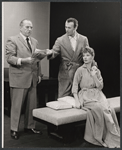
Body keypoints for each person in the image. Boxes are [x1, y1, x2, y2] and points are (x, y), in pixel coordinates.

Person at [5, 19, 50, 140]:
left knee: (32, 104)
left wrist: (39, 74)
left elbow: (37, 59)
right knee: (17, 106)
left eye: (31, 27)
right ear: (21, 27)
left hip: (33, 77)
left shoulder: (34, 41)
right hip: (19, 77)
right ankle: (14, 129)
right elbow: (9, 58)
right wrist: (24, 60)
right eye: (27, 27)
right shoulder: (12, 40)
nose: (29, 29)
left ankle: (29, 127)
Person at [72, 46, 120, 148]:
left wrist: (94, 75)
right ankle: (99, 138)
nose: (85, 57)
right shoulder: (79, 70)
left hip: (97, 94)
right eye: (84, 55)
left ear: (92, 57)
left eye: (88, 55)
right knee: (98, 108)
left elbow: (100, 87)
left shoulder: (96, 70)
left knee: (108, 109)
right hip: (85, 95)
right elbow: (75, 86)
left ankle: (112, 136)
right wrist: (76, 100)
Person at [47, 17, 92, 98]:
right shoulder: (60, 40)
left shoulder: (83, 39)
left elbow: (88, 54)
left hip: (79, 73)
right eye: (65, 27)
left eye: (69, 28)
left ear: (75, 27)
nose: (66, 29)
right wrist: (50, 53)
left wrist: (92, 67)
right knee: (63, 98)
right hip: (65, 73)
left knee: (79, 98)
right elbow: (54, 52)